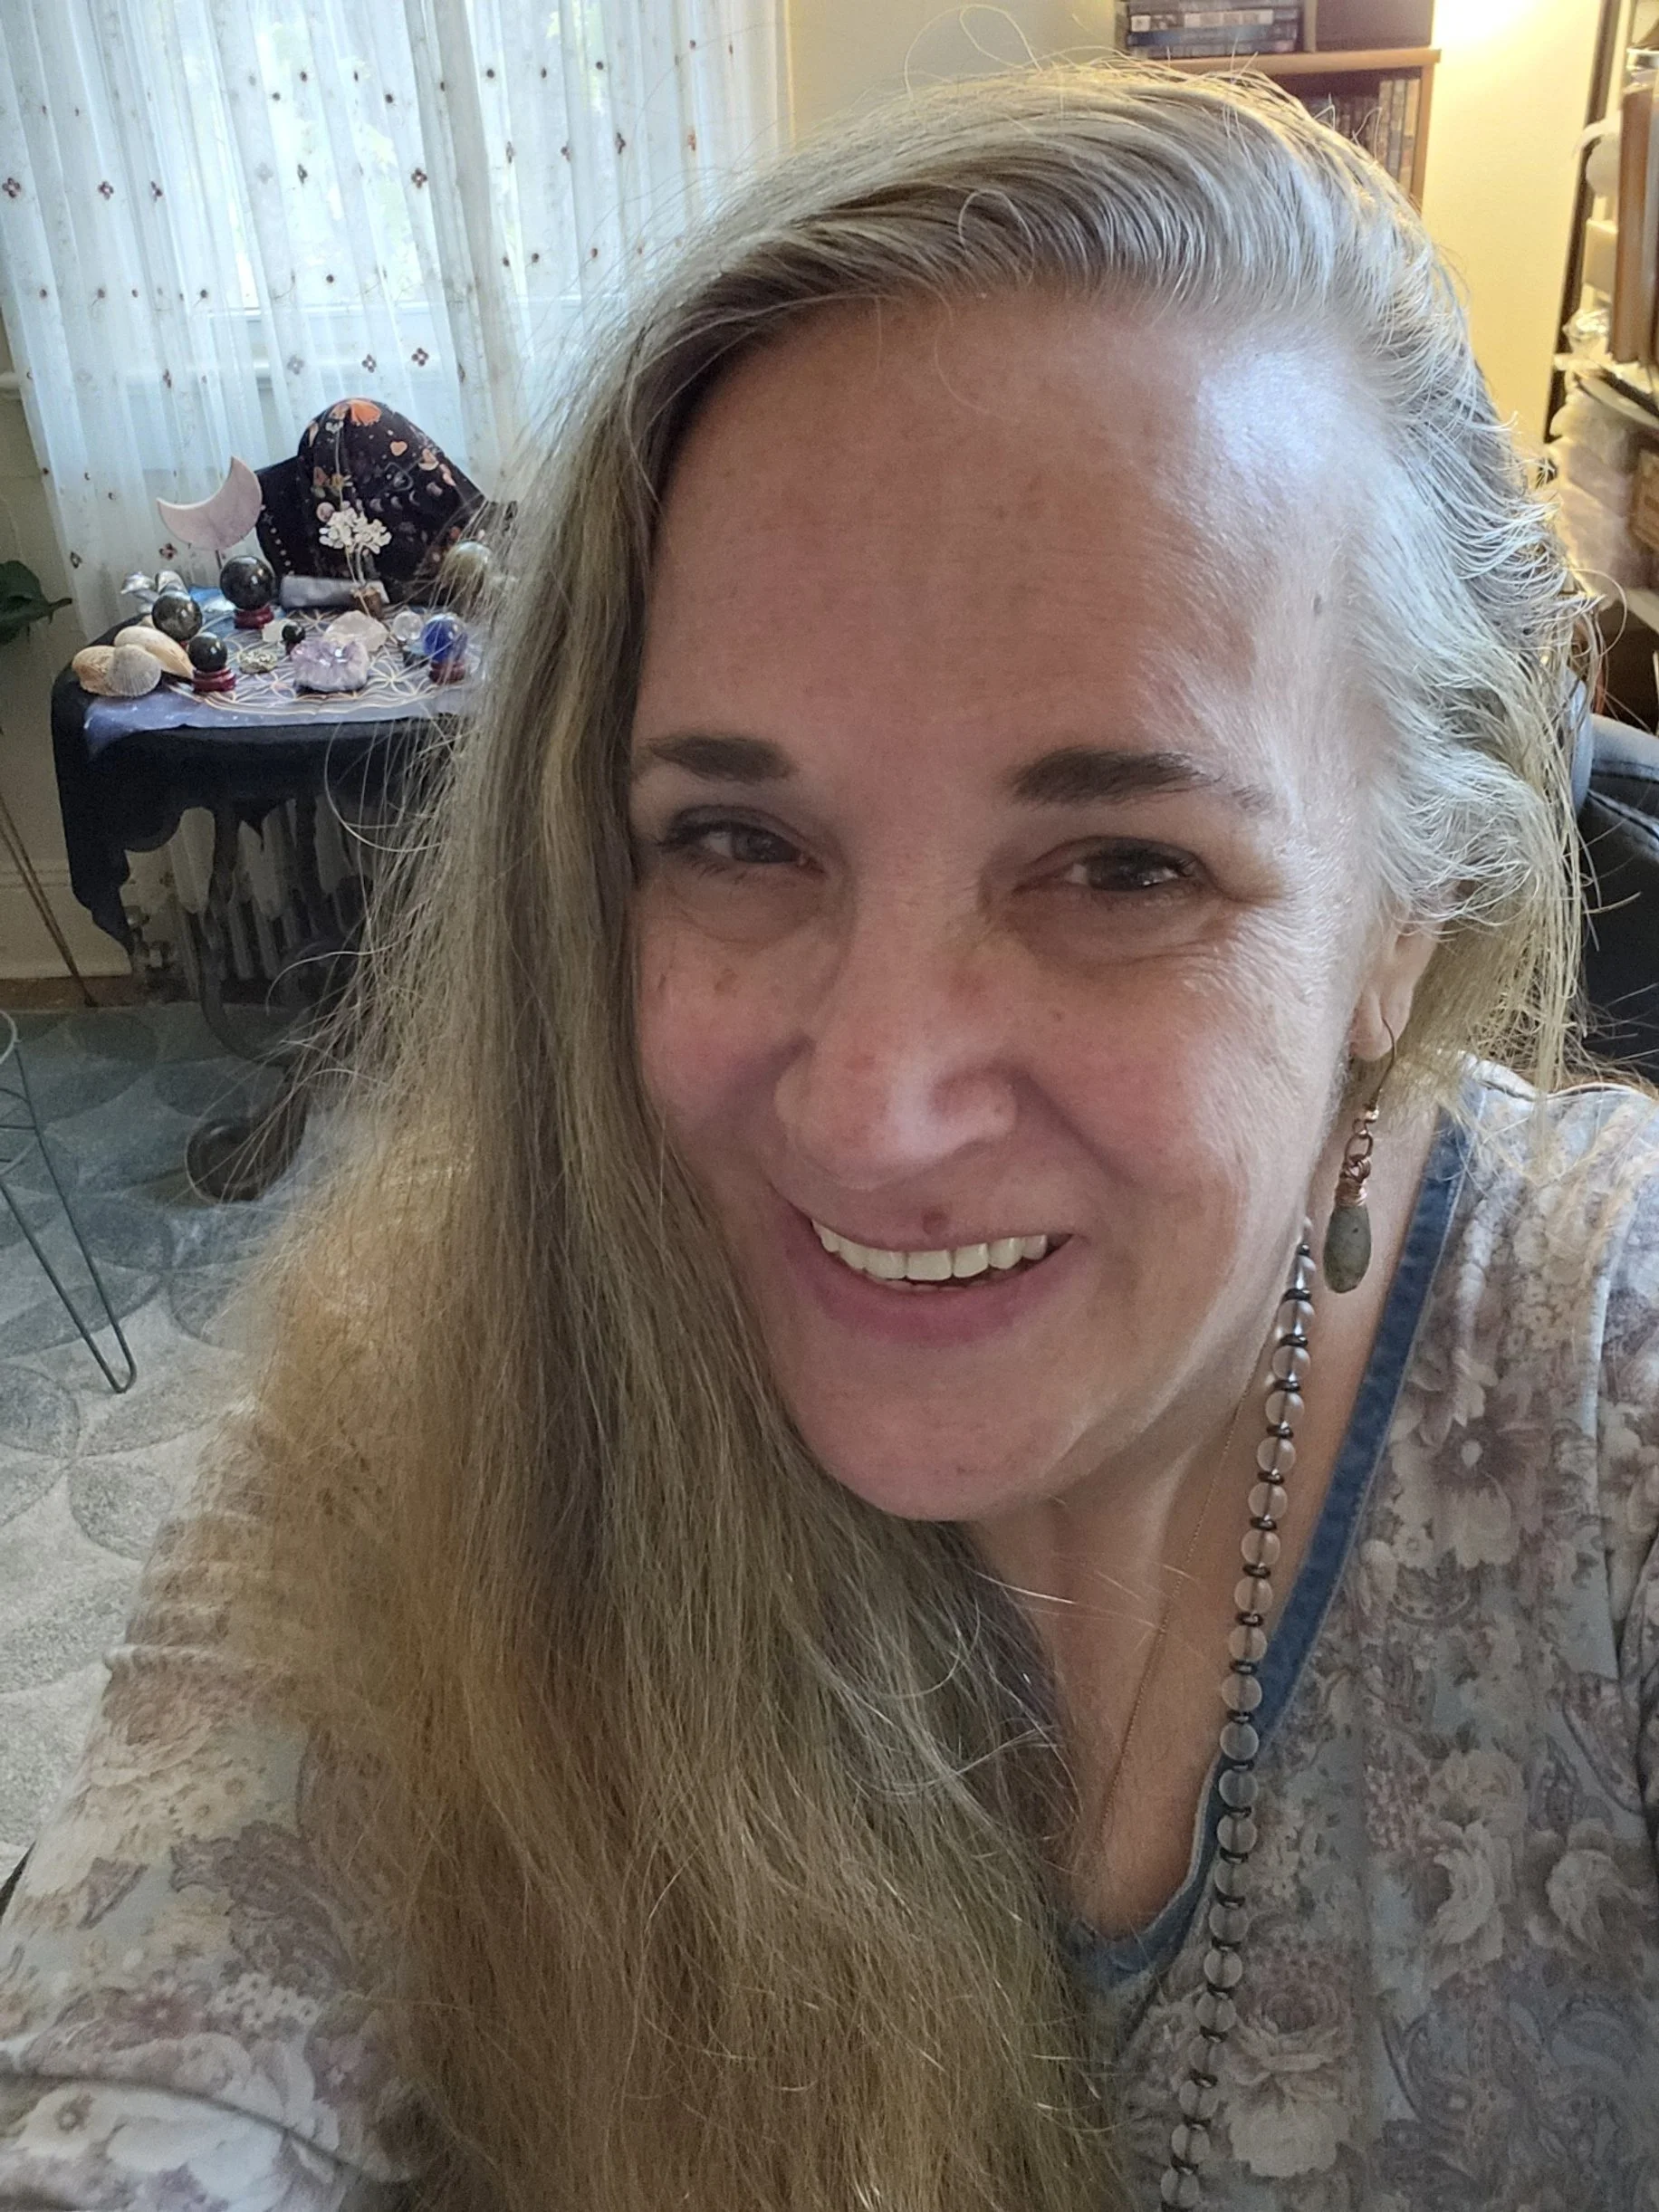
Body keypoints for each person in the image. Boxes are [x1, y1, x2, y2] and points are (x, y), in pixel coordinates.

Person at [2, 62, 1657, 2212]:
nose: (874, 1106)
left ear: (1399, 923)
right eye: (735, 837)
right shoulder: (449, 1377)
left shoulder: (1598, 1390)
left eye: (1124, 870)